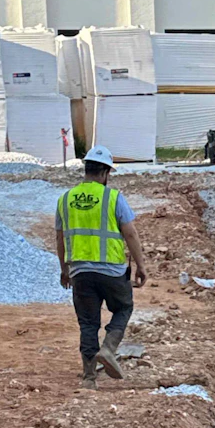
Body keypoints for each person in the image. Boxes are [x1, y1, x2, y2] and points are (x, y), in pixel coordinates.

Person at [55, 144, 148, 390]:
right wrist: (140, 265)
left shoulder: (65, 199)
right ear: (106, 173)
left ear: (86, 169)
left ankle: (88, 378)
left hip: (80, 272)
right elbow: (130, 233)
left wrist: (64, 270)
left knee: (88, 323)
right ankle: (108, 349)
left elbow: (60, 238)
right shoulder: (113, 197)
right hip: (112, 271)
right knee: (124, 307)